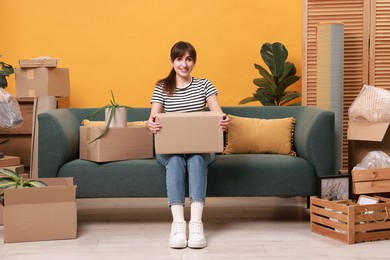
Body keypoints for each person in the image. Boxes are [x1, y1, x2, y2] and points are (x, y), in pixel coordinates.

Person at [147, 41, 230, 249]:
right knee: (175, 160)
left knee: (195, 159)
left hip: (200, 148)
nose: (184, 64)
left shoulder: (204, 85)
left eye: (188, 59)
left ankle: (195, 223)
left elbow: (217, 114)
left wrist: (223, 121)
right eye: (179, 59)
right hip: (170, 149)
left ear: (194, 61)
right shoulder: (162, 87)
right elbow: (153, 119)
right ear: (171, 61)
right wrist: (151, 124)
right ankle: (177, 224)